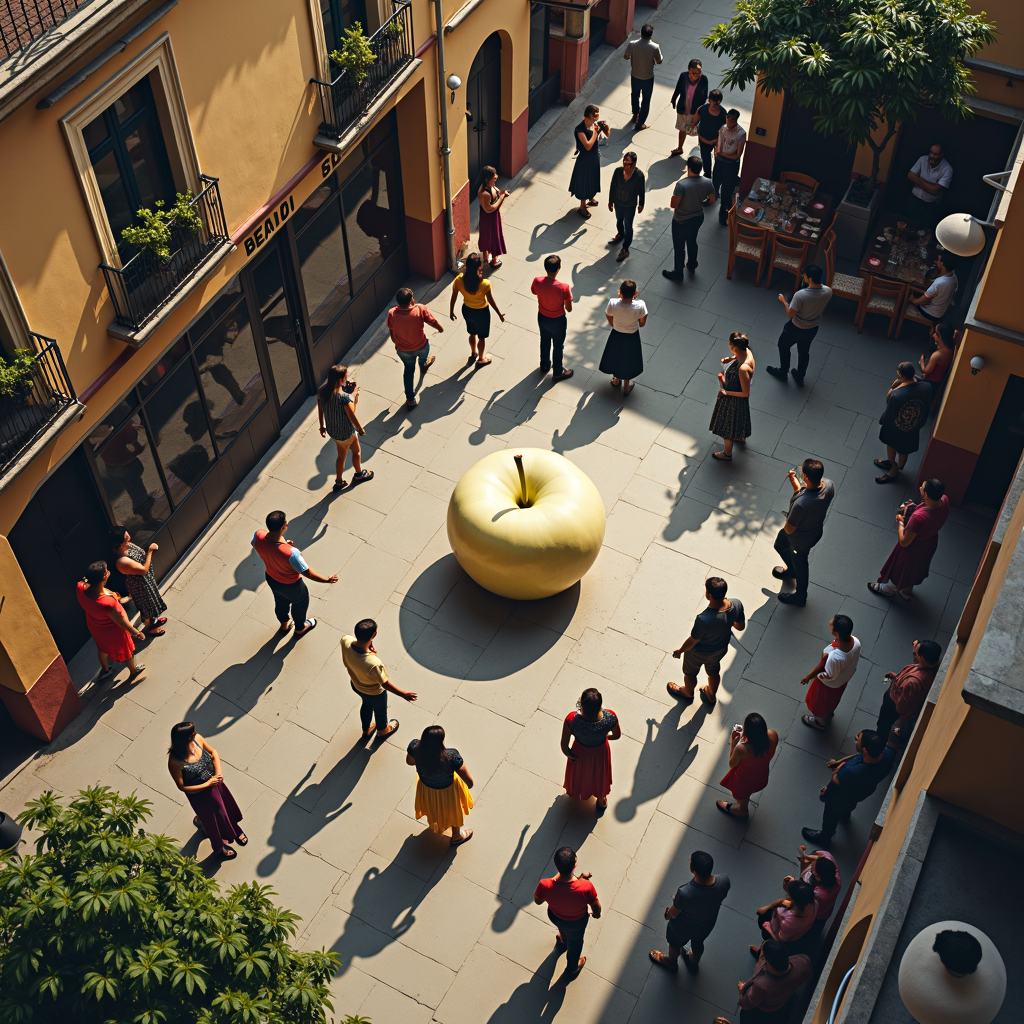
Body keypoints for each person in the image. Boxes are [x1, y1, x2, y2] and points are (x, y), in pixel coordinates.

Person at [801, 729, 896, 848]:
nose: (855, 741)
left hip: (840, 797)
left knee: (830, 814)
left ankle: (825, 837)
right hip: (862, 792)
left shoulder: (851, 772)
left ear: (865, 750)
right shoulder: (887, 756)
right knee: (849, 805)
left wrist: (825, 794)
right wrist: (840, 762)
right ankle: (845, 816)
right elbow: (858, 756)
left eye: (857, 739)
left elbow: (835, 780)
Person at [251, 509, 337, 637]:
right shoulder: (292, 553)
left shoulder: (258, 536)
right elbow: (307, 573)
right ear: (284, 526)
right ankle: (300, 628)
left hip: (271, 579)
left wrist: (284, 544)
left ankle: (284, 624)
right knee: (300, 603)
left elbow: (266, 544)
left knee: (280, 601)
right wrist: (327, 580)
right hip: (292, 586)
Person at [167, 722, 246, 860]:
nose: (195, 734)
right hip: (200, 795)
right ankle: (219, 847)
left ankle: (234, 829)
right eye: (191, 734)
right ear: (182, 739)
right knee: (212, 819)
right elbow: (182, 786)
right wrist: (207, 784)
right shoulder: (175, 761)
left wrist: (218, 774)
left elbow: (213, 752)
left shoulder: (198, 739)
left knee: (225, 809)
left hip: (216, 784)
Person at [667, 576, 745, 707]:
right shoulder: (736, 604)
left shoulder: (704, 619)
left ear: (709, 594)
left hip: (697, 653)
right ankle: (711, 694)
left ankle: (687, 692)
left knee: (690, 673)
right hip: (720, 650)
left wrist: (681, 650)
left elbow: (693, 640)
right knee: (713, 672)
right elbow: (740, 626)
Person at [649, 850, 731, 974]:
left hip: (682, 927)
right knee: (698, 943)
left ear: (693, 869)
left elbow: (674, 913)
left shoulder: (685, 893)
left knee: (674, 944)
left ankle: (671, 962)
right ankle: (693, 962)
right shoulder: (724, 881)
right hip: (707, 924)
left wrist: (668, 914)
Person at [869, 479, 950, 601]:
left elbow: (904, 541)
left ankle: (889, 589)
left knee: (901, 570)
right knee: (915, 570)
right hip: (930, 543)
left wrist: (901, 522)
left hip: (913, 549)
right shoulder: (944, 500)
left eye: (922, 488)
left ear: (926, 494)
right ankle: (907, 591)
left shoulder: (918, 518)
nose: (920, 489)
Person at [341, 618, 417, 741]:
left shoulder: (345, 640)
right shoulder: (373, 664)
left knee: (366, 704)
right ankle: (382, 730)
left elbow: (357, 648)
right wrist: (403, 694)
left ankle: (366, 730)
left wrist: (369, 646)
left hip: (356, 685)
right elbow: (384, 684)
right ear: (374, 635)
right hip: (374, 693)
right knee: (380, 711)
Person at [773, 459, 835, 607]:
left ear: (806, 477)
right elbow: (806, 493)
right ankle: (793, 568)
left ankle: (800, 596)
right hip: (815, 531)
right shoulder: (829, 485)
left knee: (800, 564)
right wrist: (794, 481)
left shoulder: (801, 505)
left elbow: (789, 529)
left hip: (800, 540)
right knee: (780, 544)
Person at [534, 846, 601, 981]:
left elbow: (538, 901)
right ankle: (572, 968)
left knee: (563, 930)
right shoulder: (586, 887)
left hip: (555, 916)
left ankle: (563, 941)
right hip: (577, 922)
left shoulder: (545, 885)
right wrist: (596, 914)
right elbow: (595, 905)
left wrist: (579, 878)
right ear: (575, 864)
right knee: (575, 944)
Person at [713, 941, 813, 1024]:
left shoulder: (761, 985)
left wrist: (742, 990)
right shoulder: (801, 962)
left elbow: (746, 1004)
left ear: (766, 960)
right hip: (786, 1004)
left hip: (762, 1014)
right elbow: (807, 976)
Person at [77, 561, 146, 681]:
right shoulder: (107, 604)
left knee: (102, 648)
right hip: (114, 631)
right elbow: (120, 622)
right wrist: (135, 632)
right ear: (105, 576)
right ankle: (133, 670)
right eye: (107, 570)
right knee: (126, 650)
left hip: (96, 627)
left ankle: (105, 670)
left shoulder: (80, 588)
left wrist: (126, 598)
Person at [765, 265, 833, 388]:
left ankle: (783, 371)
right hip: (812, 328)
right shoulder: (828, 291)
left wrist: (784, 302)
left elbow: (791, 314)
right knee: (804, 351)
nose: (803, 276)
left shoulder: (801, 295)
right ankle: (800, 377)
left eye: (805, 274)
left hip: (796, 327)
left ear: (810, 278)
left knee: (783, 345)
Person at [561, 687, 621, 816]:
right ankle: (601, 800)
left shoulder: (571, 720)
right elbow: (617, 735)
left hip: (580, 751)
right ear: (600, 705)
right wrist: (604, 737)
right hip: (600, 751)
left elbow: (564, 746)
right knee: (600, 774)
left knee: (580, 773)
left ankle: (577, 789)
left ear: (581, 705)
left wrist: (570, 755)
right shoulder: (610, 717)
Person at [799, 614, 861, 731]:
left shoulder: (835, 658)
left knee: (819, 703)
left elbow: (829, 675)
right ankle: (828, 711)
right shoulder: (856, 642)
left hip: (828, 685)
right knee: (832, 701)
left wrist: (816, 676)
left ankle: (820, 722)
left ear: (837, 634)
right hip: (842, 681)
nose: (830, 623)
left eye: (832, 624)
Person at [874, 362, 933, 484]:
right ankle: (899, 466)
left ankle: (893, 469)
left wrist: (893, 387)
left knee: (891, 445)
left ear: (900, 374)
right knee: (904, 449)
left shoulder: (897, 394)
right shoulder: (926, 387)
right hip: (913, 425)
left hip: (896, 427)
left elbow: (889, 404)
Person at [875, 639, 942, 745]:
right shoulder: (935, 667)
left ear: (922, 657)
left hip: (893, 706)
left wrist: (898, 685)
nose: (913, 652)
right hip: (900, 694)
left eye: (915, 653)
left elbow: (901, 707)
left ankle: (879, 741)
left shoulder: (912, 682)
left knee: (884, 725)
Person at [317, 364, 371, 489]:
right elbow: (352, 415)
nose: (346, 380)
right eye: (345, 378)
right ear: (340, 380)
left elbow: (321, 410)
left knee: (341, 456)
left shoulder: (322, 391)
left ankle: (339, 481)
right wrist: (355, 395)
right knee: (356, 452)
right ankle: (359, 474)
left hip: (333, 432)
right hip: (347, 433)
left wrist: (322, 426)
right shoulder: (343, 398)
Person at [662, 156, 716, 281]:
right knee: (692, 241)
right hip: (697, 217)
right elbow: (712, 200)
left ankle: (678, 273)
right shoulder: (707, 182)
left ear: (689, 168)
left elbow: (673, 204)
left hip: (681, 220)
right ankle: (692, 264)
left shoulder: (682, 185)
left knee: (679, 246)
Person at [386, 287, 441, 409]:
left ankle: (410, 399)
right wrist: (440, 328)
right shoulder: (420, 309)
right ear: (411, 299)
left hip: (403, 350)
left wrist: (396, 343)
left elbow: (392, 331)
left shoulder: (392, 313)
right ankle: (423, 364)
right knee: (424, 355)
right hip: (421, 345)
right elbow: (432, 321)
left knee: (409, 370)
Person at [717, 713, 779, 818]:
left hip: (744, 782)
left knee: (743, 797)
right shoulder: (773, 735)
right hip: (762, 776)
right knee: (747, 793)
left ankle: (742, 810)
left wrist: (734, 742)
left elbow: (732, 764)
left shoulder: (742, 749)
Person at [449, 251, 505, 366]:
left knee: (472, 333)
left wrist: (451, 311)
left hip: (467, 310)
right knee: (482, 337)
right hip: (482, 313)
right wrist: (499, 314)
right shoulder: (485, 284)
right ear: (479, 267)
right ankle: (481, 359)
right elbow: (490, 301)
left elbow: (454, 296)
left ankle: (473, 353)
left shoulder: (459, 280)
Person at [111, 526, 167, 637]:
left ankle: (152, 621)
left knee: (150, 603)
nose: (129, 537)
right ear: (121, 544)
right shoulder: (122, 561)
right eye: (126, 537)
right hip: (140, 585)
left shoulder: (127, 545)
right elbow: (143, 570)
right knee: (147, 605)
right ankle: (150, 627)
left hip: (145, 581)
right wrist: (150, 551)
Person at [710, 332, 755, 461]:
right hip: (740, 402)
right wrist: (731, 359)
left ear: (734, 347)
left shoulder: (742, 369)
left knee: (727, 427)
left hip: (733, 400)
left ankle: (727, 454)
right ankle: (740, 436)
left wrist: (726, 392)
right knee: (740, 419)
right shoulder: (748, 352)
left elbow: (745, 393)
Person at [531, 254, 574, 382]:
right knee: (558, 346)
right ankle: (557, 372)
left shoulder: (537, 281)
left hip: (542, 316)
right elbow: (569, 308)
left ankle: (544, 365)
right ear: (559, 268)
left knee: (544, 340)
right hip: (558, 320)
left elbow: (534, 291)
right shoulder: (564, 288)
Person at [600, 279, 647, 395]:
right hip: (632, 336)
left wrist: (614, 324)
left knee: (616, 355)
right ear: (635, 293)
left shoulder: (613, 303)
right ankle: (627, 385)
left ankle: (616, 379)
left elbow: (608, 315)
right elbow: (642, 323)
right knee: (629, 359)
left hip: (616, 334)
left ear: (619, 292)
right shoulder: (640, 305)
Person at [753, 878, 817, 955]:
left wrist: (768, 925)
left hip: (781, 936)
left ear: (793, 901)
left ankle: (762, 953)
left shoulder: (788, 922)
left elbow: (781, 938)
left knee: (763, 922)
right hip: (797, 933)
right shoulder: (814, 903)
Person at [792, 845, 841, 944]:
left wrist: (804, 863)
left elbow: (803, 888)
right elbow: (821, 854)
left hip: (818, 915)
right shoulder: (833, 869)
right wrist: (807, 856)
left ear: (818, 877)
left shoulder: (818, 894)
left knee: (810, 933)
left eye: (812, 870)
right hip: (827, 911)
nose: (811, 866)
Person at [568, 104, 609, 218]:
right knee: (584, 181)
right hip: (585, 160)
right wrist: (596, 132)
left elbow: (597, 137)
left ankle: (591, 197)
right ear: (589, 115)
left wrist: (601, 128)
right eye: (595, 116)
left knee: (593, 178)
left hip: (594, 158)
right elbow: (588, 145)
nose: (597, 118)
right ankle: (582, 206)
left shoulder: (592, 126)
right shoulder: (580, 129)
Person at [607, 151, 646, 263]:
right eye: (624, 162)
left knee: (628, 225)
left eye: (627, 163)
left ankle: (625, 248)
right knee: (619, 220)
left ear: (633, 164)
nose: (625, 165)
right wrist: (611, 201)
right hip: (618, 202)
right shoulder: (618, 171)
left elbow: (641, 191)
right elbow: (613, 186)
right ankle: (620, 233)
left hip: (630, 205)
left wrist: (641, 204)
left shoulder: (639, 176)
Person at [624, 24, 662, 130]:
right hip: (648, 78)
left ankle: (635, 113)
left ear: (641, 33)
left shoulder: (633, 44)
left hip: (635, 75)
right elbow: (659, 61)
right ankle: (640, 122)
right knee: (646, 101)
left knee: (634, 95)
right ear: (651, 35)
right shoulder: (655, 47)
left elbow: (626, 56)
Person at [713, 108, 746, 224]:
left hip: (731, 164)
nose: (729, 122)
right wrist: (717, 155)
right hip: (720, 161)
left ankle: (723, 216)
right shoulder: (723, 128)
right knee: (715, 182)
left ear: (736, 120)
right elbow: (718, 144)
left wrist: (721, 153)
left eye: (731, 121)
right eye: (728, 119)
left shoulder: (741, 133)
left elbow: (737, 155)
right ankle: (715, 196)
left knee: (726, 191)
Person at [906, 143, 952, 225]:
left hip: (930, 206)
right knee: (907, 224)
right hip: (913, 200)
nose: (932, 156)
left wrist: (918, 181)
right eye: (931, 152)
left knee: (922, 230)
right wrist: (930, 186)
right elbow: (910, 175)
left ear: (942, 154)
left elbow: (936, 190)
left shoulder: (947, 169)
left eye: (935, 154)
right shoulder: (922, 159)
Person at [670, 58, 708, 155]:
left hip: (695, 112)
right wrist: (674, 99)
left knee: (699, 132)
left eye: (698, 72)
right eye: (693, 72)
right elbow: (678, 88)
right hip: (683, 109)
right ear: (688, 70)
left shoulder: (703, 80)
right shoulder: (683, 76)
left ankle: (701, 152)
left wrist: (699, 112)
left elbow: (704, 97)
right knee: (682, 129)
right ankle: (679, 148)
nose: (695, 75)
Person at [908, 252, 958, 322]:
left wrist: (914, 301)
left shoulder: (940, 282)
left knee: (907, 293)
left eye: (938, 261)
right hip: (940, 312)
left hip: (930, 313)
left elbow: (926, 299)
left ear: (942, 264)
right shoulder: (953, 276)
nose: (937, 262)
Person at [476, 165, 509, 269]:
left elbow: (497, 191)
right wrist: (502, 197)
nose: (495, 179)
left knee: (487, 237)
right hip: (489, 218)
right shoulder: (485, 193)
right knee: (494, 238)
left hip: (492, 217)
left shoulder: (490, 186)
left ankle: (485, 257)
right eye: (493, 178)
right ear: (487, 179)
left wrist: (501, 192)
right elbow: (489, 209)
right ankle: (494, 261)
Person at [920, 322, 956, 412]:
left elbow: (926, 371)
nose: (933, 335)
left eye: (936, 333)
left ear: (940, 336)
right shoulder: (950, 349)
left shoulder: (937, 355)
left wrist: (921, 362)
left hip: (929, 382)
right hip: (938, 381)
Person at [693, 88, 726, 176]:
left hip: (716, 141)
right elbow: (695, 121)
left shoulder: (723, 114)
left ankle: (717, 174)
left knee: (718, 159)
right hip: (703, 139)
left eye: (713, 102)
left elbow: (725, 130)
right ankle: (707, 174)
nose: (711, 104)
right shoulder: (702, 109)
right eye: (710, 101)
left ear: (718, 102)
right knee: (705, 158)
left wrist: (716, 141)